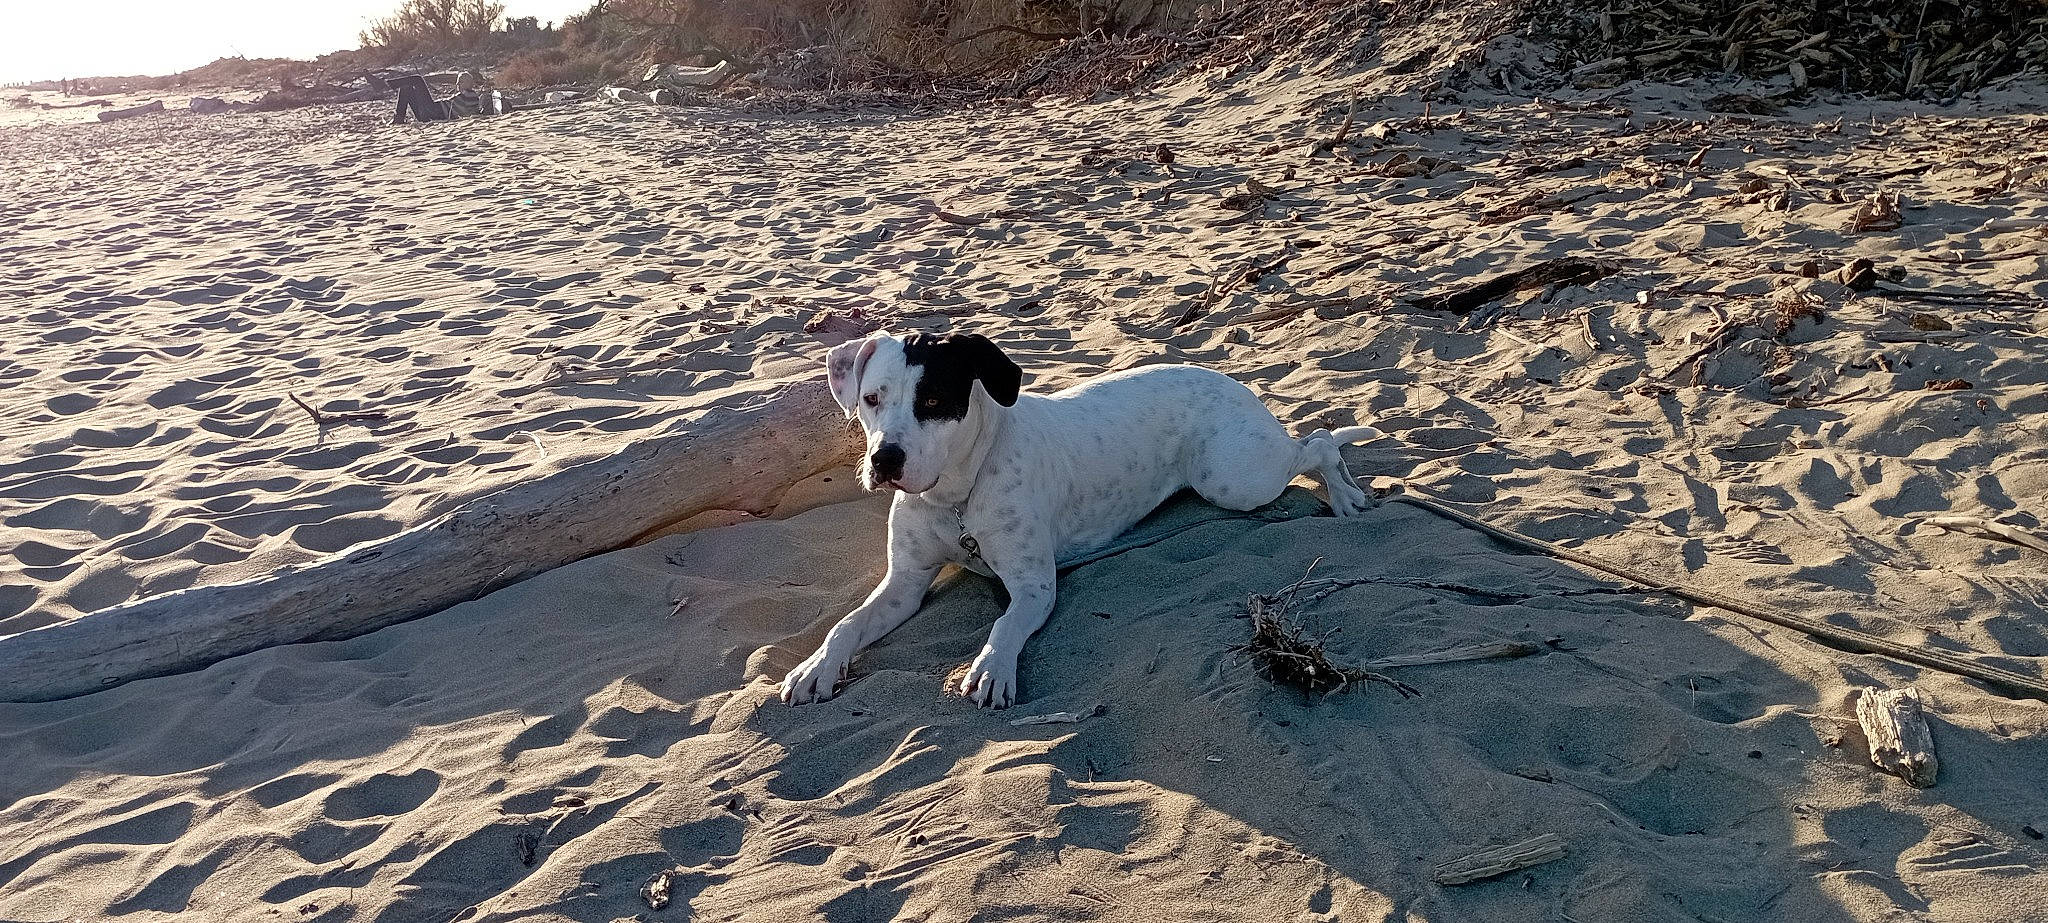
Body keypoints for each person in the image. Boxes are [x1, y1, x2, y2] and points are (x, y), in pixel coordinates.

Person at [390, 70, 490, 123]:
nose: (458, 85)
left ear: (469, 83)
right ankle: (399, 118)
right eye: (457, 83)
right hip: (429, 114)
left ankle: (388, 84)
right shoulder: (468, 95)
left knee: (417, 79)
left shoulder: (470, 94)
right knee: (405, 88)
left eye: (461, 82)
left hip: (434, 111)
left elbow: (473, 111)